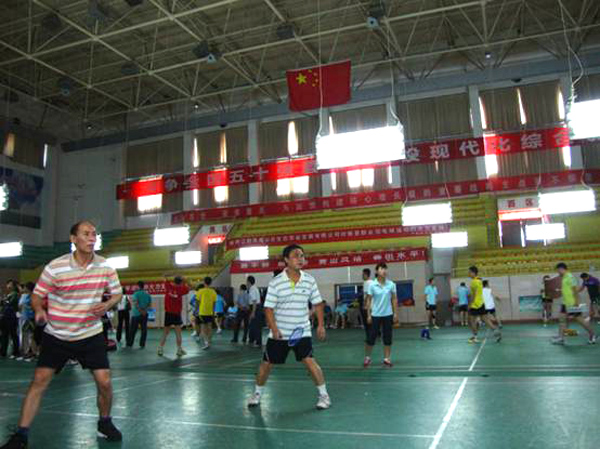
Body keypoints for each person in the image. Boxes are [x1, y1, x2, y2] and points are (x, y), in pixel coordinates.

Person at [0, 221, 123, 449]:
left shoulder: (105, 266)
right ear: (73, 239)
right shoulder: (55, 267)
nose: (92, 238)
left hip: (90, 333)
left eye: (94, 234)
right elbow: (37, 295)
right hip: (57, 334)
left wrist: (107, 305)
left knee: (104, 381)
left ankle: (105, 422)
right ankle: (21, 434)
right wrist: (38, 310)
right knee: (39, 381)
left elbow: (117, 293)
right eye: (86, 234)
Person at [247, 244, 330, 410]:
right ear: (286, 260)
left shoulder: (309, 280)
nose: (300, 259)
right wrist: (274, 329)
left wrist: (321, 325)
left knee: (310, 361)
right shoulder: (276, 283)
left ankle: (324, 395)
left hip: (301, 331)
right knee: (266, 364)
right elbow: (268, 308)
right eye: (296, 256)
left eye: (302, 256)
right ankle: (257, 393)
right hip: (280, 332)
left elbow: (318, 303)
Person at [363, 262, 399, 368]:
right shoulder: (372, 285)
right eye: (381, 269)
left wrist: (395, 313)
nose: (384, 271)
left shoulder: (391, 284)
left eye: (385, 269)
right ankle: (367, 357)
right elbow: (368, 300)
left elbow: (394, 299)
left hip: (388, 314)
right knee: (371, 337)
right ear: (377, 271)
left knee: (387, 337)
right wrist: (368, 315)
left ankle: (387, 359)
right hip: (375, 315)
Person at [552, 263, 596, 345]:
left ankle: (592, 334)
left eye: (558, 270)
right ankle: (561, 338)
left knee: (580, 320)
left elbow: (575, 290)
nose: (557, 272)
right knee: (562, 319)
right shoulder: (564, 277)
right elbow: (567, 289)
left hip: (572, 303)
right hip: (565, 303)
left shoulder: (570, 277)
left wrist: (576, 302)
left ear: (561, 269)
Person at [158, 275, 190, 357]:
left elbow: (164, 278)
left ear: (174, 281)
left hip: (168, 313)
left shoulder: (168, 286)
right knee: (178, 333)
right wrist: (184, 281)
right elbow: (188, 287)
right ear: (181, 282)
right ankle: (179, 350)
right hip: (176, 314)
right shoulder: (182, 288)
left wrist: (167, 276)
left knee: (165, 333)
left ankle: (160, 349)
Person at [467, 266, 501, 344]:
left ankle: (474, 337)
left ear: (473, 273)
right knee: (486, 320)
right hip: (482, 303)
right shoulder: (480, 280)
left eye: (469, 272)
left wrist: (469, 304)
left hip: (475, 305)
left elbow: (473, 295)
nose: (468, 274)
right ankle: (496, 331)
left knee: (472, 321)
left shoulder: (473, 282)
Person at [128, 281, 152, 348]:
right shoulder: (147, 294)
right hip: (145, 314)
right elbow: (149, 305)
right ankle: (142, 344)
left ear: (138, 286)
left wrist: (140, 311)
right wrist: (144, 311)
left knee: (133, 330)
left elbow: (135, 303)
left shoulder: (135, 294)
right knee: (144, 330)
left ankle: (130, 343)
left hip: (136, 314)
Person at [0, 279, 20, 359]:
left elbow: (10, 303)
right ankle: (3, 351)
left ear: (14, 286)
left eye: (10, 284)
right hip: (5, 317)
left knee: (13, 334)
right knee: (4, 335)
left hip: (11, 317)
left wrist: (4, 300)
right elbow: (3, 304)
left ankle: (16, 352)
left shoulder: (15, 294)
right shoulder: (8, 295)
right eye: (7, 284)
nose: (8, 285)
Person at [196, 277, 217, 350]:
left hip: (202, 312)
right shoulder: (213, 292)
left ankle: (206, 343)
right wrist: (213, 312)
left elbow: (197, 302)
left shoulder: (200, 291)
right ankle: (209, 341)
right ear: (211, 283)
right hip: (210, 312)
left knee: (203, 328)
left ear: (204, 282)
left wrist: (196, 310)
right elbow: (214, 303)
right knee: (209, 327)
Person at [18, 282, 37, 361]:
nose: (24, 288)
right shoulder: (25, 296)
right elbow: (20, 306)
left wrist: (26, 307)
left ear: (28, 288)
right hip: (24, 318)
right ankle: (25, 353)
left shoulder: (34, 296)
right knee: (24, 336)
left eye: (25, 287)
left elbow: (34, 307)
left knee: (31, 336)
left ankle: (33, 354)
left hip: (31, 318)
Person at [247, 276, 262, 346]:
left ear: (249, 282)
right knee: (253, 325)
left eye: (247, 281)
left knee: (256, 326)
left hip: (255, 308)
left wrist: (253, 312)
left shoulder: (252, 289)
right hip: (255, 307)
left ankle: (258, 342)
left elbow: (254, 301)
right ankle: (252, 340)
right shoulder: (254, 288)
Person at [360, 268, 373, 341]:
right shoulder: (372, 282)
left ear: (366, 274)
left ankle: (369, 337)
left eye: (363, 274)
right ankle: (376, 334)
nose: (362, 276)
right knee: (372, 322)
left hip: (368, 306)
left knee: (367, 323)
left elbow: (368, 294)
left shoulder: (367, 282)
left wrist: (364, 304)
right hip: (373, 306)